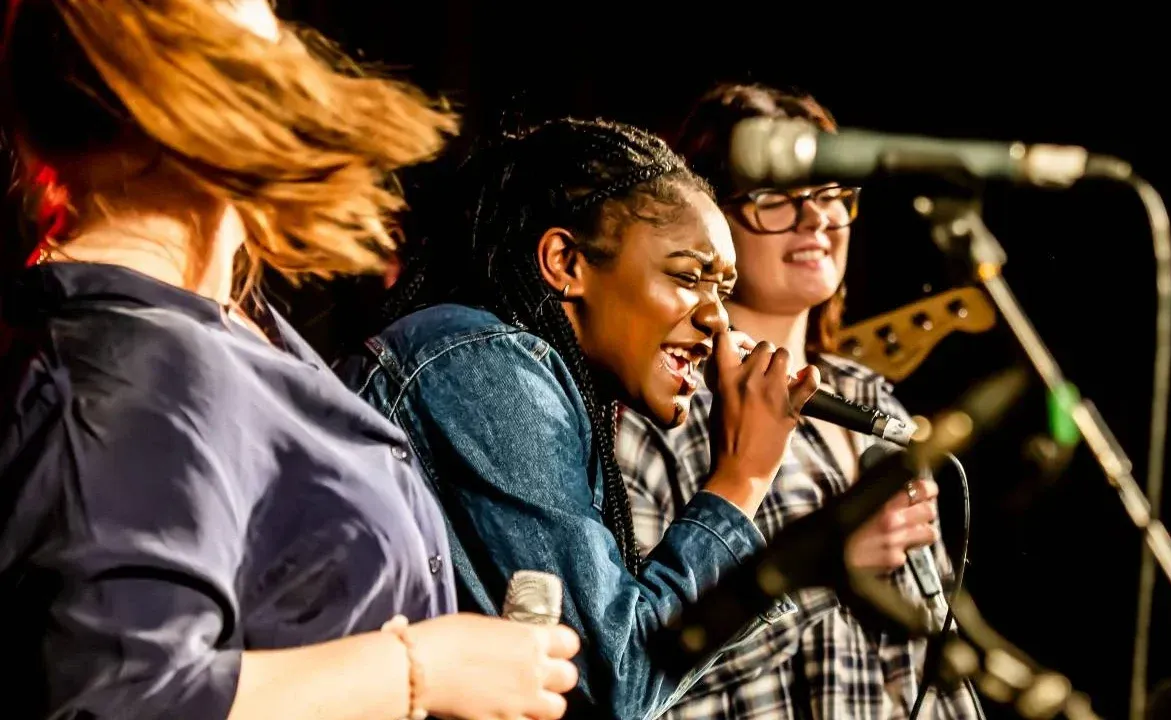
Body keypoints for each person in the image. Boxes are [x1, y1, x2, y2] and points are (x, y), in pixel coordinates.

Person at [0, 2, 578, 719]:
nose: (285, 41)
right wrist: (419, 672)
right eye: (253, 15)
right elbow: (119, 696)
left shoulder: (216, 325)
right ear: (175, 76)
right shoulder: (122, 370)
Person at [342, 117, 821, 719]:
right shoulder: (484, 366)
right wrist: (740, 480)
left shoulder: (541, 381)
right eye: (687, 276)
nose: (718, 320)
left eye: (723, 289)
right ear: (566, 261)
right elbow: (618, 674)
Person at [616, 83, 982, 719]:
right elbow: (638, 679)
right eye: (776, 198)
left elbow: (931, 657)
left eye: (830, 194)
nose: (814, 218)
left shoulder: (870, 395)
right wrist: (822, 570)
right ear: (707, 219)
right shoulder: (659, 414)